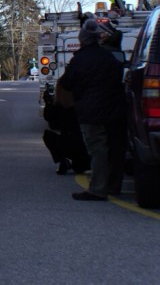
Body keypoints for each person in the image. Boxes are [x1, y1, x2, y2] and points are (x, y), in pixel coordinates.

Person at [56, 18, 126, 200]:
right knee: (114, 149)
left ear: (83, 39)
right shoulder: (109, 57)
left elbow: (66, 83)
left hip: (91, 111)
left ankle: (98, 189)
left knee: (97, 150)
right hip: (114, 109)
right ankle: (113, 185)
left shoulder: (79, 59)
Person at [42, 82, 89, 175]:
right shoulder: (83, 104)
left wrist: (48, 103)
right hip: (86, 147)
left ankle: (63, 160)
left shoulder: (60, 106)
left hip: (68, 143)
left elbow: (50, 119)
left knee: (47, 136)